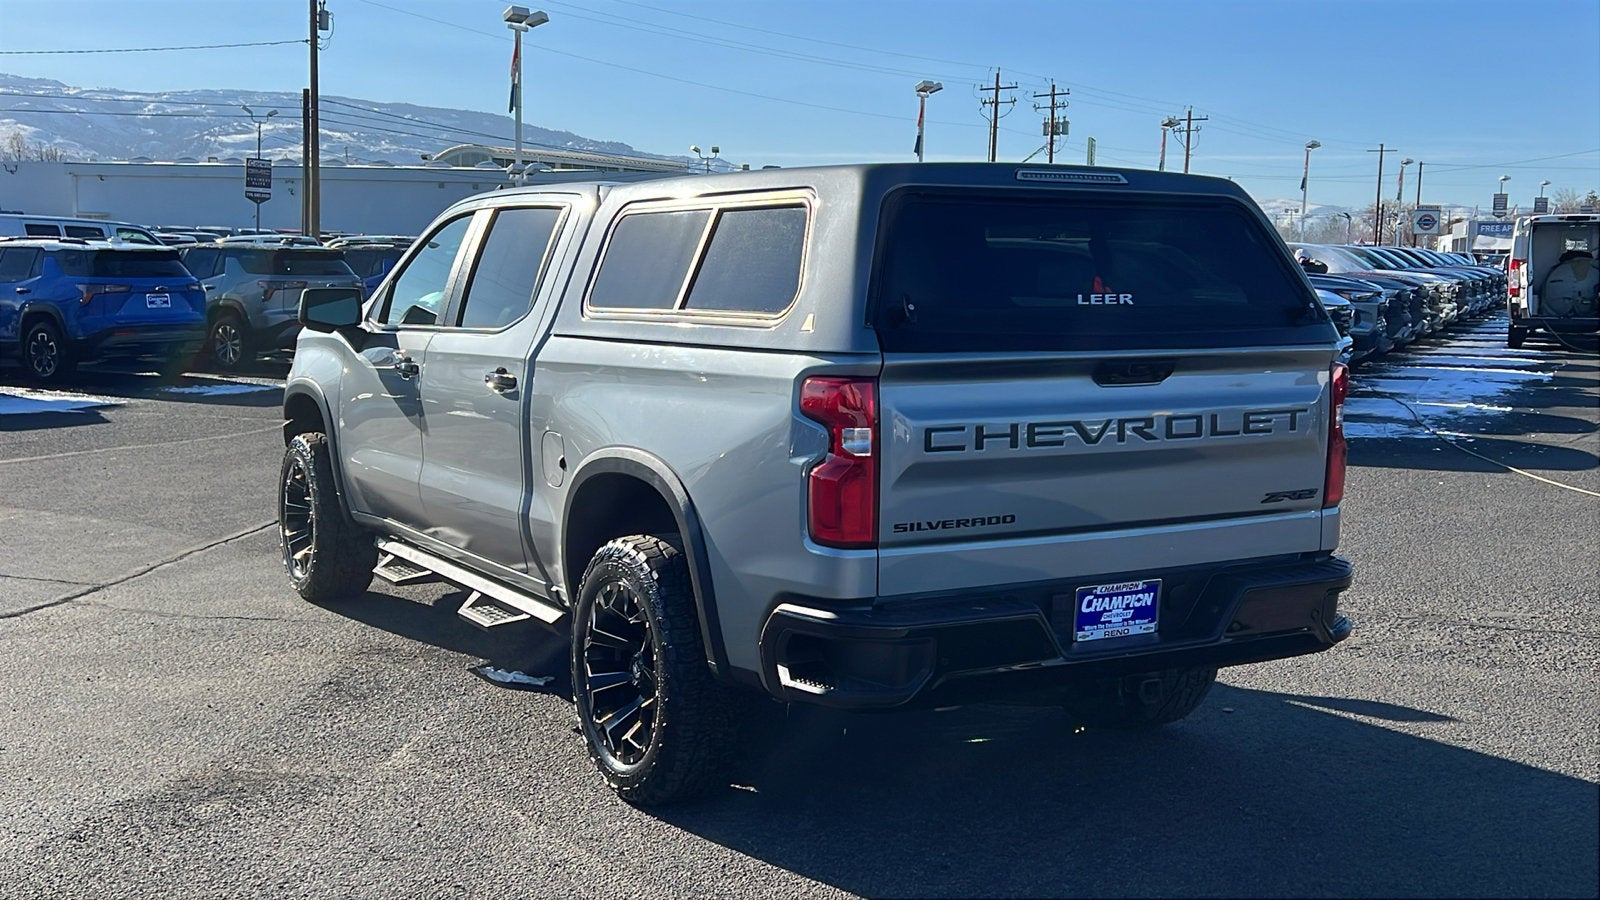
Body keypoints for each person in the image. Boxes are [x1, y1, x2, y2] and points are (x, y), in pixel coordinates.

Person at [1539, 248, 1598, 317]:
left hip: (1552, 319)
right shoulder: (1594, 269)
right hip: (1589, 318)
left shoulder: (1555, 271)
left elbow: (1543, 293)